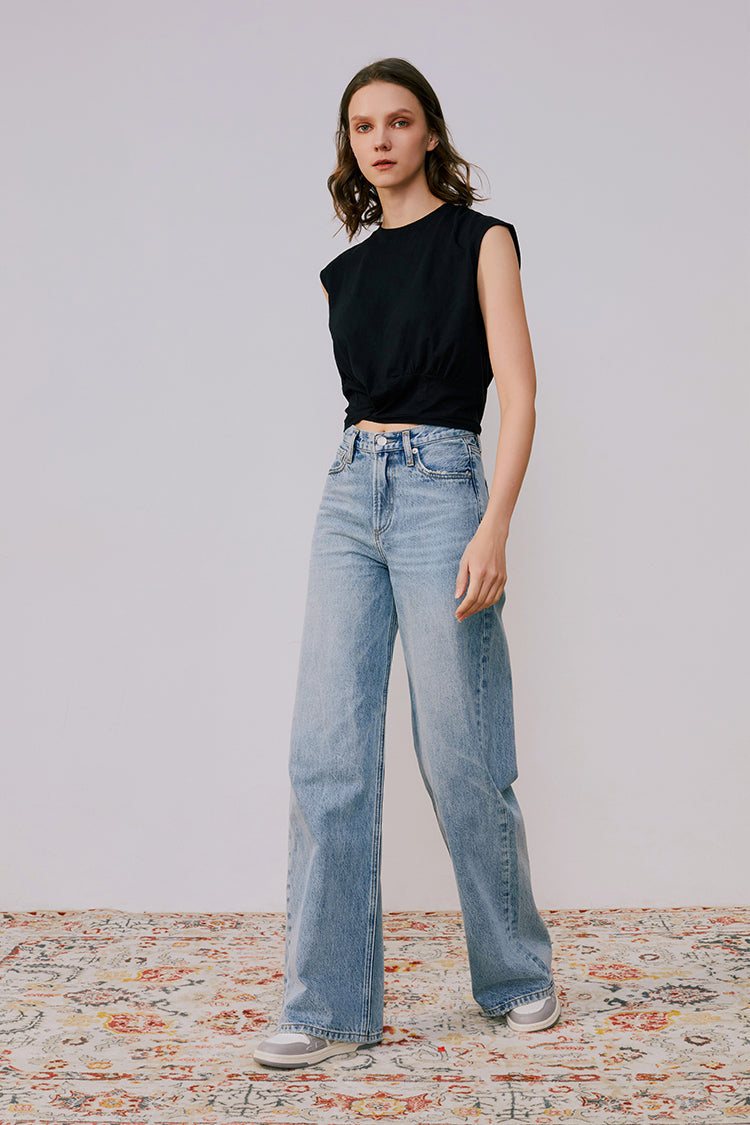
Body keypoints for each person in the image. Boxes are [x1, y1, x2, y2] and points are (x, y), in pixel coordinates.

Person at [253, 57, 561, 1070]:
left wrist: (495, 524)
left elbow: (519, 391)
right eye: (362, 126)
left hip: (443, 488)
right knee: (325, 752)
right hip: (350, 492)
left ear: (431, 132)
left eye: (398, 121)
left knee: (461, 751)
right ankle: (326, 1006)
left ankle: (516, 973)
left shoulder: (483, 240)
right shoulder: (342, 273)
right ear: (349, 145)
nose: (380, 140)